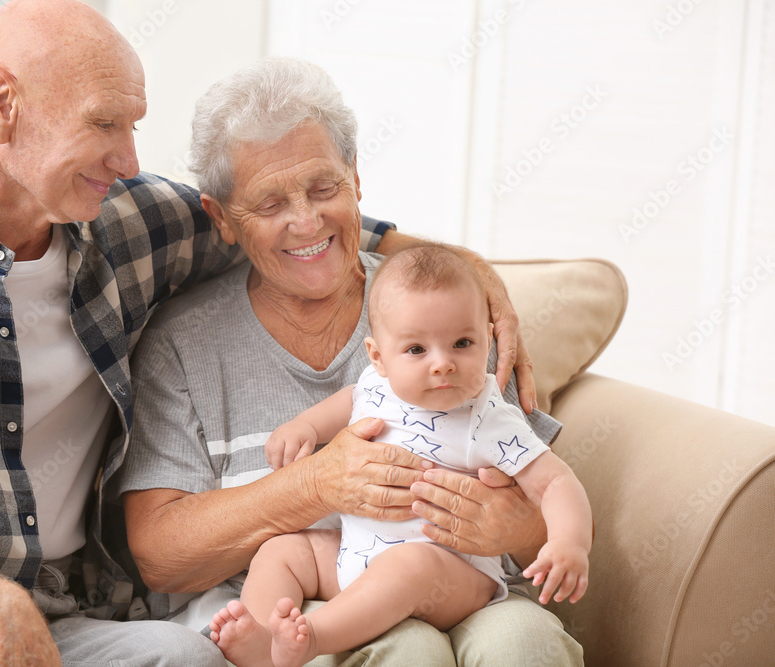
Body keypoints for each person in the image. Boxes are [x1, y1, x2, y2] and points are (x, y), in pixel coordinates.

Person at [0, 3, 532, 665]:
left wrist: (462, 270)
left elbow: (287, 221)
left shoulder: (124, 224)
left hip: (60, 606)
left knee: (186, 656)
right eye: (104, 123)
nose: (130, 159)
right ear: (1, 103)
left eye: (132, 126)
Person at [119, 57, 584, 666]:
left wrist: (512, 529)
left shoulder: (449, 318)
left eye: (323, 187)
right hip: (305, 607)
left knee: (527, 642)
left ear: (356, 178)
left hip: (471, 589)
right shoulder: (181, 344)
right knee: (406, 649)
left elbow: (549, 503)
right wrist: (312, 484)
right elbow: (160, 554)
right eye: (270, 204)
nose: (307, 222)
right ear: (221, 219)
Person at [209, 246, 592, 666]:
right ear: (378, 357)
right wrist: (304, 427)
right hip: (355, 560)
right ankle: (265, 643)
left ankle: (314, 638)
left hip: (452, 580)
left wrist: (568, 542)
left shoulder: (487, 417)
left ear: (488, 340)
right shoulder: (376, 385)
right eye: (416, 350)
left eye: (462, 343)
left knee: (412, 563)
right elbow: (349, 400)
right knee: (282, 550)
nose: (443, 364)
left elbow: (555, 481)